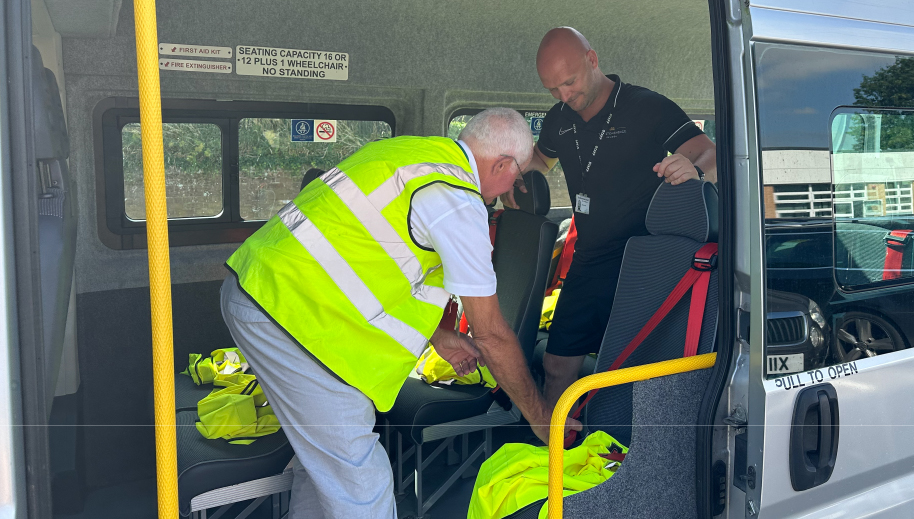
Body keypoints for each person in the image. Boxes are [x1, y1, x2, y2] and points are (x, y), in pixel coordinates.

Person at [221, 108, 580, 519]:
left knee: (326, 464)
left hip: (268, 293)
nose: (511, 189)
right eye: (514, 178)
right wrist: (541, 417)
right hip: (290, 317)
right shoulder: (458, 203)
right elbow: (492, 335)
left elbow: (377, 261)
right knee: (363, 482)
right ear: (500, 164)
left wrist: (442, 337)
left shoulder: (408, 155)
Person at [507, 27, 717, 409]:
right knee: (556, 365)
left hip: (644, 262)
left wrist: (692, 169)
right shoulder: (559, 117)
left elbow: (709, 154)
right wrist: (512, 176)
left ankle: (625, 456)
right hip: (589, 260)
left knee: (630, 368)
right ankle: (557, 456)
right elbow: (541, 160)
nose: (564, 96)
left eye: (569, 82)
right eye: (553, 89)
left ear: (592, 59)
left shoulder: (646, 106)